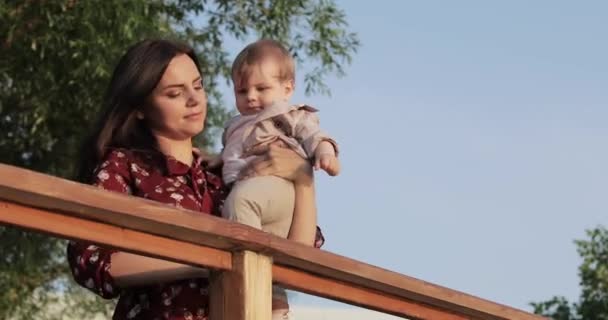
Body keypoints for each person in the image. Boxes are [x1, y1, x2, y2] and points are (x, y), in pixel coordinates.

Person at [67, 39, 324, 320]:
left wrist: (304, 180)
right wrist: (202, 257)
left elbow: (299, 258)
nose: (194, 99)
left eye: (198, 86)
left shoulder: (227, 173)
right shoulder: (126, 166)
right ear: (140, 106)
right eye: (175, 93)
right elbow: (90, 260)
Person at [221, 39, 340, 241]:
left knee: (241, 202)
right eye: (242, 91)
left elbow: (313, 135)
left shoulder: (288, 115)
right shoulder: (235, 125)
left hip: (279, 185)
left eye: (261, 89)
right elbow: (231, 152)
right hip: (252, 191)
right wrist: (214, 158)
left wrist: (325, 153)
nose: (250, 96)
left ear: (287, 89)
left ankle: (247, 264)